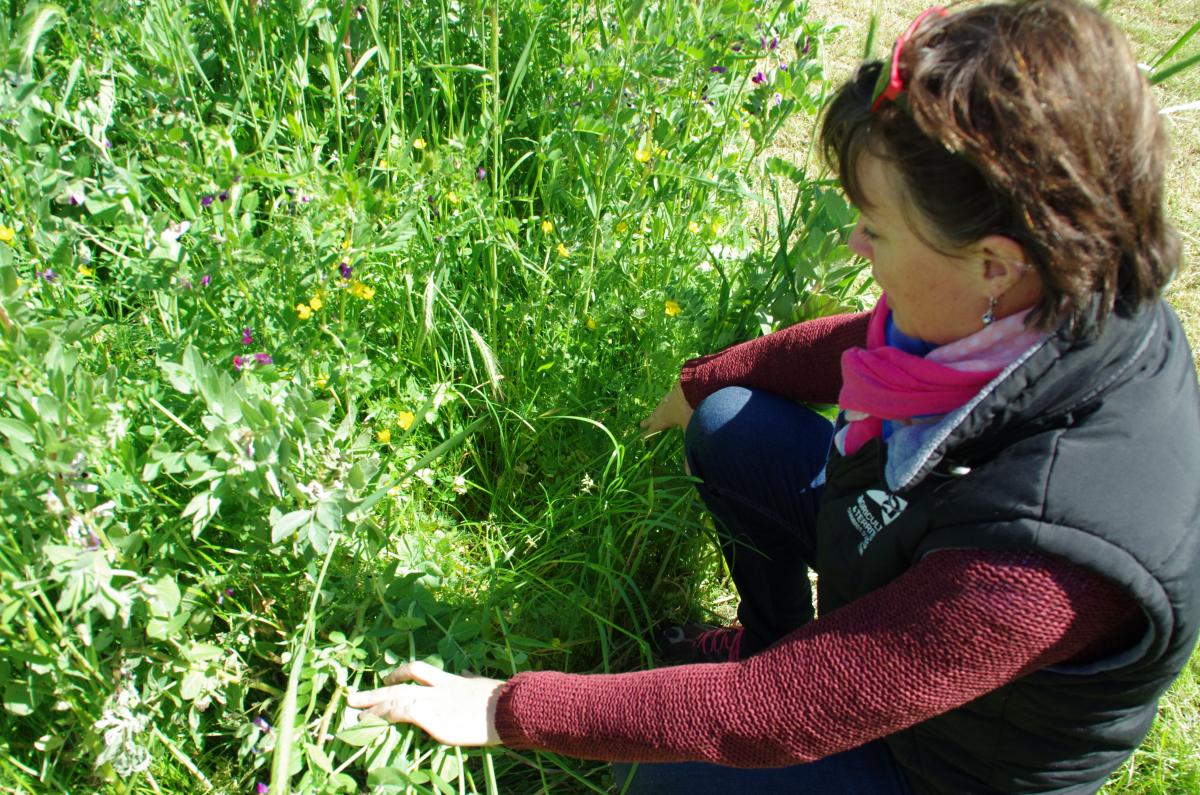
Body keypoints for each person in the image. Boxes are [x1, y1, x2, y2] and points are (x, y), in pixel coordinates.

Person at [348, 2, 1200, 792]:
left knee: (666, 774)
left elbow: (773, 710)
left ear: (992, 260)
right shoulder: (1048, 298)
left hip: (952, 753)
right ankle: (768, 630)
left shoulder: (1050, 560)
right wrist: (700, 384)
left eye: (878, 228)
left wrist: (503, 709)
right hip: (907, 564)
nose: (860, 247)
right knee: (733, 424)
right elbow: (851, 343)